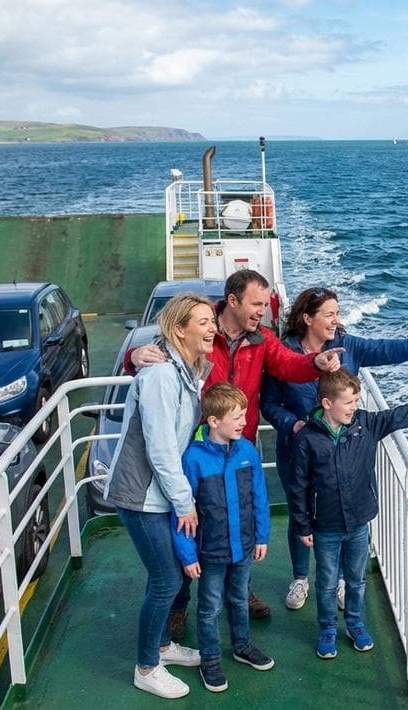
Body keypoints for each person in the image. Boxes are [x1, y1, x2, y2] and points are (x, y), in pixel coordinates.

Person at [129, 269, 343, 628]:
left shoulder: (262, 340)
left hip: (240, 444)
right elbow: (155, 353)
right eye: (256, 304)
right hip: (197, 446)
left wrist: (314, 363)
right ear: (232, 301)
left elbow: (288, 365)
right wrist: (133, 356)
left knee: (238, 518)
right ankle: (180, 603)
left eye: (265, 303)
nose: (264, 310)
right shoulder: (199, 330)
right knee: (190, 519)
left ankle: (240, 592)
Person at [261, 286, 408, 611]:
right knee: (301, 515)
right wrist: (290, 424)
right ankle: (300, 578)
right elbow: (269, 403)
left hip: (342, 452)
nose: (336, 321)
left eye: (338, 314)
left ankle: (339, 579)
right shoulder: (284, 353)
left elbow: (386, 349)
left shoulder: (347, 347)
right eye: (329, 314)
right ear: (307, 318)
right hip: (298, 449)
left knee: (338, 513)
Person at [291, 370, 408, 659]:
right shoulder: (307, 439)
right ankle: (327, 629)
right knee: (326, 582)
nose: (355, 406)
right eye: (349, 402)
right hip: (324, 525)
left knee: (356, 578)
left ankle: (355, 623)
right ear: (327, 403)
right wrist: (303, 526)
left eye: (356, 400)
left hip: (359, 521)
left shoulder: (367, 424)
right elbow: (298, 485)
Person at [102, 294, 215, 699]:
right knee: (167, 579)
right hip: (141, 496)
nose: (211, 328)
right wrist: (184, 501)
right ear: (178, 328)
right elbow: (161, 447)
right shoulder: (161, 376)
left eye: (212, 320)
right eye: (202, 321)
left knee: (163, 576)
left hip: (159, 494)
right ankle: (147, 667)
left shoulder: (185, 371)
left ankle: (164, 647)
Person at [172, 383, 274, 693]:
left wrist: (262, 536)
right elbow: (181, 512)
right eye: (237, 416)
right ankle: (211, 659)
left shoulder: (246, 451)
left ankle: (242, 646)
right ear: (214, 421)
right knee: (209, 606)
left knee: (239, 598)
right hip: (211, 551)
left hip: (243, 546)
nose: (244, 422)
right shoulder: (193, 458)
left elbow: (259, 496)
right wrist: (187, 556)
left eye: (244, 415)